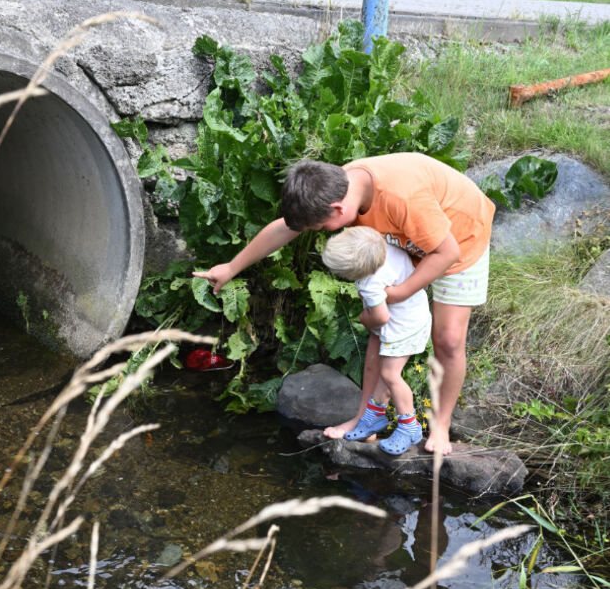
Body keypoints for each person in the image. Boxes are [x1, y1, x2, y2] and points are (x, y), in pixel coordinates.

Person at [193, 153, 495, 454]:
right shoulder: (336, 188)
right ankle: (368, 417)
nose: (325, 232)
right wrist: (231, 267)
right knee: (382, 330)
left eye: (323, 228)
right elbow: (286, 227)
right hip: (410, 241)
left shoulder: (401, 197)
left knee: (448, 340)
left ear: (338, 209)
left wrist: (400, 292)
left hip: (459, 239)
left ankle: (441, 425)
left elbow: (447, 253)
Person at [320, 226, 431, 454]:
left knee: (391, 375)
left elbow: (380, 317)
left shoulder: (369, 283)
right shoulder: (387, 246)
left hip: (402, 328)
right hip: (414, 316)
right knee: (384, 371)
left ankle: (409, 426)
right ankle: (374, 415)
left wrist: (364, 318)